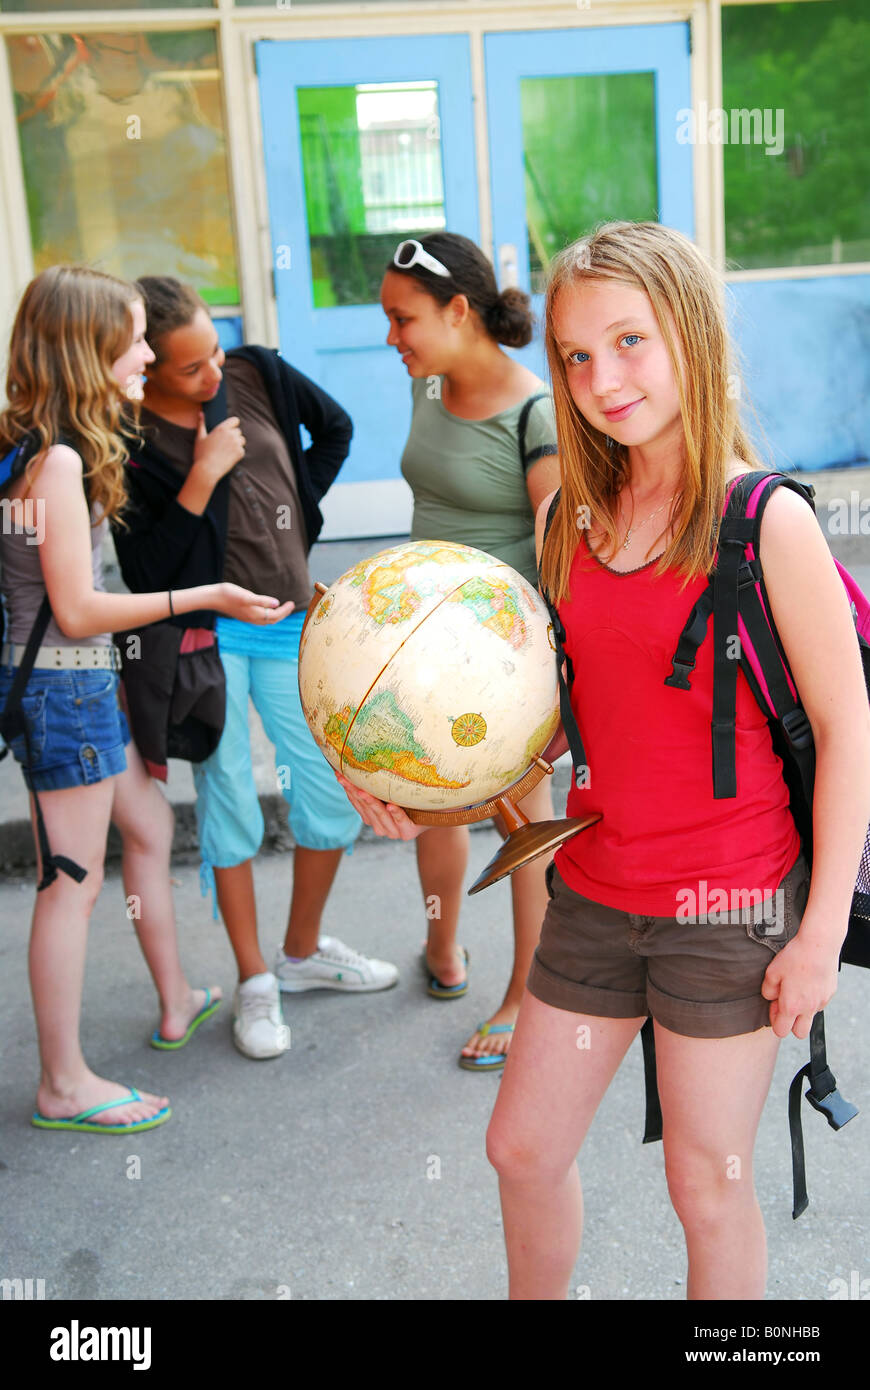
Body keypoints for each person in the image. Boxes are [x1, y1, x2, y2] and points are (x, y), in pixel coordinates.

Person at [345, 220, 870, 1298]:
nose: (601, 379)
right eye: (577, 356)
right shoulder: (567, 516)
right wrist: (407, 776)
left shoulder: (763, 520)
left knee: (706, 1183)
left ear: (690, 333)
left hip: (730, 908)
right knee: (522, 1150)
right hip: (592, 890)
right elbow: (539, 721)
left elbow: (851, 725)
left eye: (629, 342)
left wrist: (818, 937)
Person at [0, 265, 292, 1133]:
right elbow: (78, 608)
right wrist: (204, 596)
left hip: (76, 687)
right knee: (71, 885)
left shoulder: (37, 441)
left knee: (152, 827)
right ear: (88, 349)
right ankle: (64, 1083)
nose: (144, 353)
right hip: (67, 692)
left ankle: (177, 1002)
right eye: (130, 338)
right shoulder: (54, 460)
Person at [113, 277, 398, 1062]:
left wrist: (297, 509)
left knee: (335, 796)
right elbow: (147, 574)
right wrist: (203, 477)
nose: (212, 378)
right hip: (208, 638)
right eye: (189, 369)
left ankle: (300, 954)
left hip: (290, 620)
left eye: (213, 353)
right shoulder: (126, 442)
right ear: (146, 371)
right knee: (231, 801)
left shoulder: (255, 372)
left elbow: (334, 429)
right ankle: (254, 980)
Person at [343, 232, 561, 1071]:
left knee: (522, 822)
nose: (391, 337)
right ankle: (442, 948)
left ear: (459, 311)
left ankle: (526, 994)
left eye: (404, 319)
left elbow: (551, 538)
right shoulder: (426, 385)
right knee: (421, 798)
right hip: (413, 645)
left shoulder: (536, 411)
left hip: (497, 661)